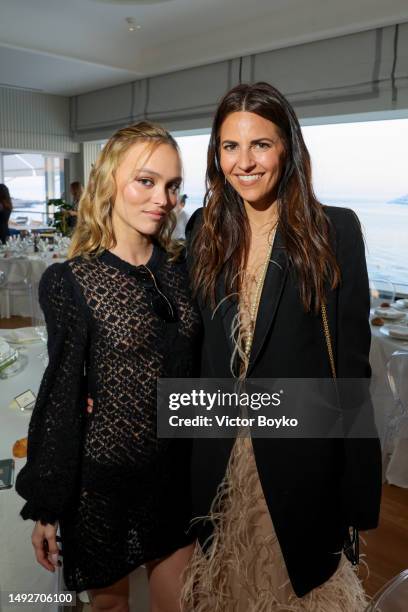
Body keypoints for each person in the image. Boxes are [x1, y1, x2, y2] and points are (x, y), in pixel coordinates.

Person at [182, 82, 382, 611]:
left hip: (299, 464)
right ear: (215, 154)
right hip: (218, 461)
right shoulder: (203, 229)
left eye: (260, 145)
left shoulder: (332, 230)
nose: (244, 162)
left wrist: (358, 498)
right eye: (230, 147)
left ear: (287, 147)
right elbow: (195, 353)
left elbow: (352, 369)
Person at [16, 122, 201, 612]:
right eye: (146, 180)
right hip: (104, 482)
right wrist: (48, 507)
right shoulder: (71, 281)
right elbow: (60, 395)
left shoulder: (183, 270)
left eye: (172, 185)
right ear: (109, 183)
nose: (161, 197)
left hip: (175, 478)